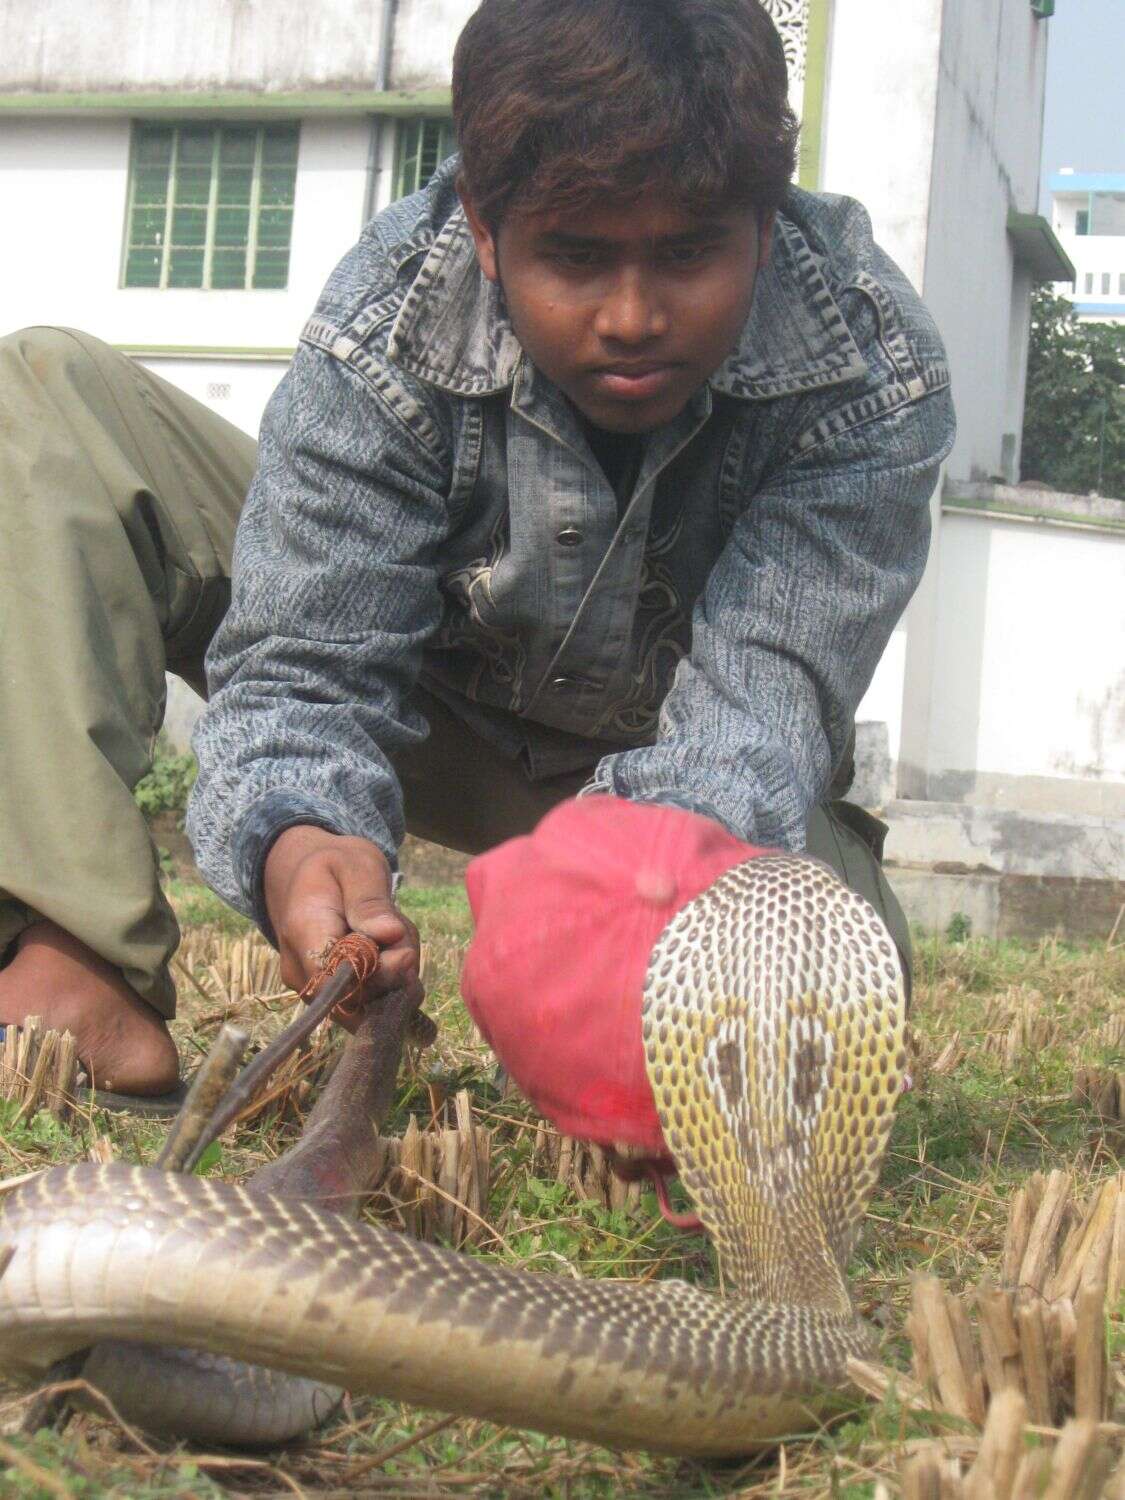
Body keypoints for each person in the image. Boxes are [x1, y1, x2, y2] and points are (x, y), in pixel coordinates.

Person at [0, 0, 953, 1102]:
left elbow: (757, 717)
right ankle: (74, 965)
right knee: (44, 400)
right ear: (485, 232)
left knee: (806, 1023)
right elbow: (308, 661)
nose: (633, 315)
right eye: (578, 257)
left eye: (689, 252)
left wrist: (592, 939)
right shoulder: (391, 316)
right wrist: (303, 838)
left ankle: (601, 1033)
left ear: (767, 224)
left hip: (699, 801)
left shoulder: (870, 366)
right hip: (435, 711)